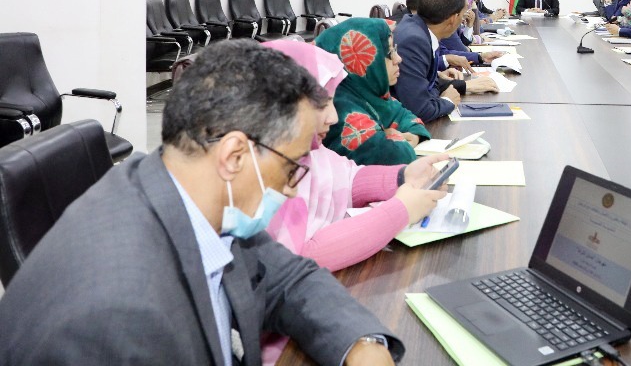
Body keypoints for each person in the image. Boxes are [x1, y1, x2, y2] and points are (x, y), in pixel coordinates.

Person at [0, 40, 403, 366]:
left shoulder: (189, 192)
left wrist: (362, 343)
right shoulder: (119, 320)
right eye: (291, 167)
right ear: (234, 156)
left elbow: (287, 278)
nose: (294, 189)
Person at [260, 40, 447, 365]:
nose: (333, 116)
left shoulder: (311, 150)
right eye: (323, 104)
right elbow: (304, 257)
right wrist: (400, 211)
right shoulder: (269, 170)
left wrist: (403, 176)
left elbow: (347, 179)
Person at [316, 18, 432, 165]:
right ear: (363, 60)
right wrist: (397, 138)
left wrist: (414, 136)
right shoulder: (339, 108)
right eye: (389, 52)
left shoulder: (371, 93)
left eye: (395, 49)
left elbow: (406, 116)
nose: (398, 59)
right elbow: (396, 155)